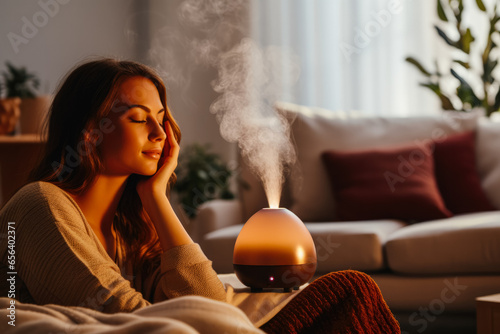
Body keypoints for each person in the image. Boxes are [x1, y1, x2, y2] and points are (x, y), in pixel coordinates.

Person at [0, 58, 400, 333]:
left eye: (161, 119)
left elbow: (208, 304)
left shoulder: (131, 223)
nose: (160, 135)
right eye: (139, 119)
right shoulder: (41, 205)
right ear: (89, 132)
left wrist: (156, 196)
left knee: (351, 290)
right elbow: (130, 317)